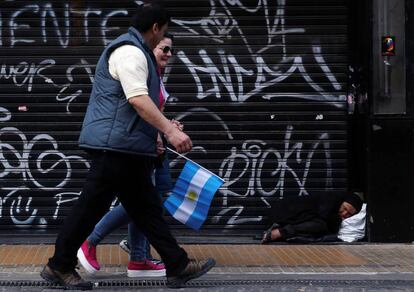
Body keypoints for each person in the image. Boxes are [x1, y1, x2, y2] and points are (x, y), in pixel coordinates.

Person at [40, 3, 215, 290]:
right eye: (164, 33)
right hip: (115, 147)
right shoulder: (130, 52)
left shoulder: (139, 52)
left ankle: (177, 265)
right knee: (90, 208)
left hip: (127, 147)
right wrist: (169, 131)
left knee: (147, 208)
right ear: (156, 27)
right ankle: (58, 266)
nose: (163, 40)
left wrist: (155, 136)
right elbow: (137, 99)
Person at [77, 33, 177, 278]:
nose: (168, 54)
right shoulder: (137, 67)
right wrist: (160, 134)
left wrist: (168, 126)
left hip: (149, 147)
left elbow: (154, 112)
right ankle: (91, 241)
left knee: (148, 198)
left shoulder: (156, 77)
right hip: (135, 147)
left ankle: (139, 257)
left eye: (171, 50)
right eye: (164, 48)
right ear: (152, 47)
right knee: (140, 200)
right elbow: (137, 106)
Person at [261, 192, 363, 243]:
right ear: (342, 202)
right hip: (281, 213)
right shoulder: (329, 200)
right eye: (344, 208)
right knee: (319, 225)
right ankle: (279, 232)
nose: (345, 214)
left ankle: (280, 231)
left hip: (288, 216)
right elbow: (323, 217)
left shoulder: (335, 209)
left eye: (349, 214)